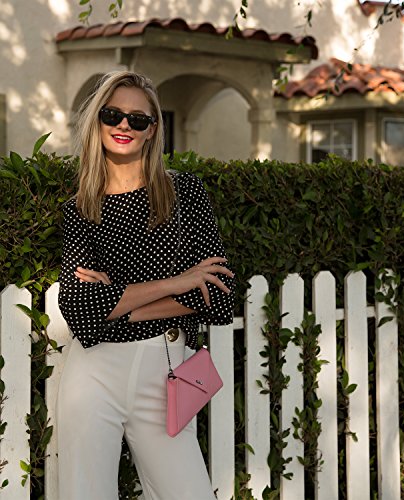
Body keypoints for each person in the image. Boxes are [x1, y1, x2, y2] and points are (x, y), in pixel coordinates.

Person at [56, 70, 235, 500]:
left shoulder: (184, 193)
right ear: (98, 120)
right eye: (113, 114)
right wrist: (178, 282)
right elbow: (78, 309)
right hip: (94, 372)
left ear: (153, 129)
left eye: (138, 119)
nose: (124, 126)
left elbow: (218, 295)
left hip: (164, 367)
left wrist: (114, 303)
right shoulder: (80, 209)